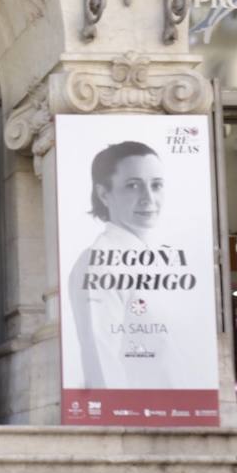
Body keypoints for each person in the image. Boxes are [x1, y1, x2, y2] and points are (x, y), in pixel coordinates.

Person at [66, 141, 205, 390]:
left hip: (181, 416)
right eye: (133, 186)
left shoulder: (163, 257)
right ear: (103, 194)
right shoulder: (98, 262)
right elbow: (102, 362)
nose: (149, 198)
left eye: (156, 185)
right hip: (140, 420)